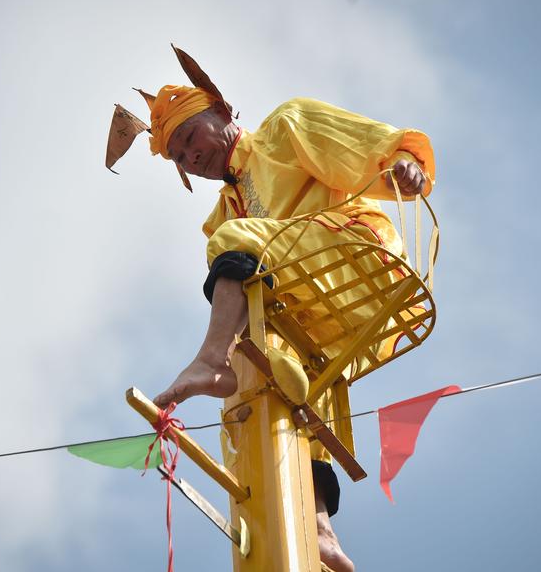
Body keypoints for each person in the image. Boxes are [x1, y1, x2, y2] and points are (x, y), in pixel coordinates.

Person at [140, 81, 434, 572]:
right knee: (260, 380)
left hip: (359, 260)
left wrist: (407, 164)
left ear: (223, 110)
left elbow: (368, 146)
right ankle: (318, 529)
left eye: (192, 137)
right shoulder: (222, 214)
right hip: (320, 310)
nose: (191, 157)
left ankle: (210, 360)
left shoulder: (285, 128)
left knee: (235, 244)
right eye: (179, 157)